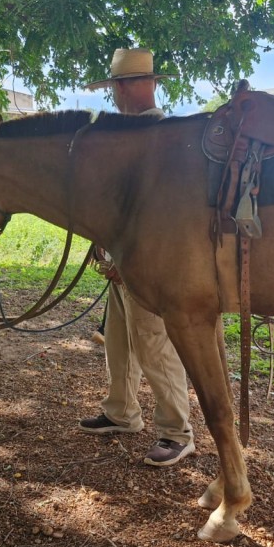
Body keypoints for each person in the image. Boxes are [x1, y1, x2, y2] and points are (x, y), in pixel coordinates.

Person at [77, 48, 195, 467]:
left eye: (116, 89)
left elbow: (159, 208)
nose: (115, 97)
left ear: (126, 88)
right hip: (122, 260)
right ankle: (121, 411)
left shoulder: (160, 136)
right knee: (119, 342)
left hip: (146, 263)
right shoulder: (137, 135)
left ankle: (177, 431)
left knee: (153, 344)